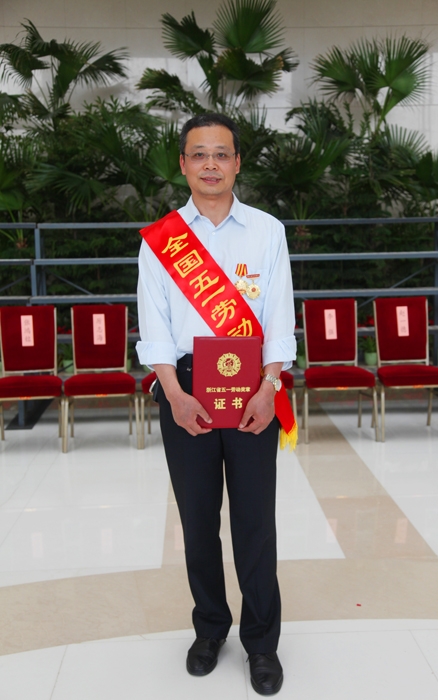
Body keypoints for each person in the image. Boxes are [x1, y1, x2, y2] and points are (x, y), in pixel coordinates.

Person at [136, 113, 296, 696]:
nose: (211, 164)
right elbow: (154, 325)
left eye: (221, 154)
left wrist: (270, 387)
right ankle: (209, 628)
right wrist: (174, 395)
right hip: (184, 391)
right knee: (198, 521)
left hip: (254, 388)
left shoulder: (267, 231)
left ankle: (261, 642)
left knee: (255, 521)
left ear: (237, 163)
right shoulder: (161, 240)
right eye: (199, 154)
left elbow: (279, 316)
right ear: (183, 164)